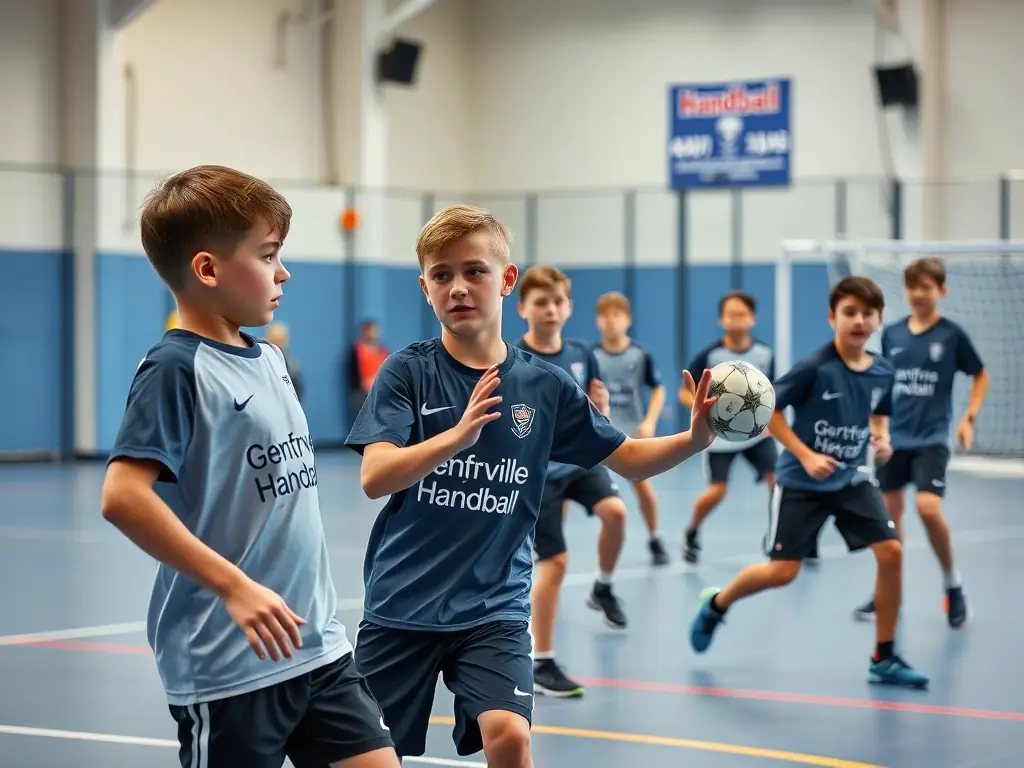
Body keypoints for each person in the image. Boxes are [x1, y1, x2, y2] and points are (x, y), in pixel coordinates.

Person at [345, 204, 720, 765]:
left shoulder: (546, 386)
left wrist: (693, 441)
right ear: (424, 288)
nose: (459, 288)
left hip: (493, 606)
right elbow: (375, 477)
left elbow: (631, 460)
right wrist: (454, 438)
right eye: (441, 275)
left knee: (511, 736)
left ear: (507, 279)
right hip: (402, 605)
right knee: (372, 756)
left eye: (475, 271)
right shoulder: (407, 370)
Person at [99, 165, 399, 768]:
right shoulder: (175, 369)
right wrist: (233, 586)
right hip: (231, 663)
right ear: (208, 269)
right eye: (267, 256)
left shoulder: (268, 359)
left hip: (317, 648)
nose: (282, 271)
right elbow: (122, 497)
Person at [687, 276, 929, 689]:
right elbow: (771, 412)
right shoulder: (814, 369)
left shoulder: (883, 371)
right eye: (849, 312)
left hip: (851, 478)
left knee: (891, 552)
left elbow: (879, 412)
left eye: (867, 313)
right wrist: (806, 455)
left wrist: (882, 438)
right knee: (783, 573)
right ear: (832, 317)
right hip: (802, 483)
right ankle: (717, 604)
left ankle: (884, 658)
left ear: (879, 319)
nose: (859, 320)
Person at [852, 257, 989, 628]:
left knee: (928, 509)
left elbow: (980, 376)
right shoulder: (893, 334)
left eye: (926, 287)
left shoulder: (951, 335)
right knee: (888, 522)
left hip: (931, 440)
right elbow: (881, 388)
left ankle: (953, 586)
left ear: (941, 291)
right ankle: (888, 591)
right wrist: (878, 431)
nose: (918, 293)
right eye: (912, 286)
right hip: (895, 441)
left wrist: (968, 418)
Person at [514, 267, 629, 699]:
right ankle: (541, 661)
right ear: (523, 308)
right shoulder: (515, 360)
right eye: (541, 302)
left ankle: (603, 587)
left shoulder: (583, 353)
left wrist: (600, 411)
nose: (550, 309)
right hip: (540, 473)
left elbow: (595, 415)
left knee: (616, 512)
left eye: (558, 301)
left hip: (580, 460)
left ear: (569, 307)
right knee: (555, 563)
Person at [678, 291, 781, 565]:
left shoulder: (764, 353)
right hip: (720, 435)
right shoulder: (711, 356)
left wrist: (770, 420)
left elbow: (772, 391)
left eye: (742, 314)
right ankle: (692, 531)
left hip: (757, 434)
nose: (736, 319)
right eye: (730, 314)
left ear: (753, 318)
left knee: (778, 482)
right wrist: (702, 408)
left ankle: (777, 536)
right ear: (721, 320)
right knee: (718, 491)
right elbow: (685, 393)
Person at [592, 290, 670, 565]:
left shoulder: (639, 354)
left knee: (643, 487)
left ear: (627, 319)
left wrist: (649, 421)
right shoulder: (591, 356)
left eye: (617, 315)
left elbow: (658, 388)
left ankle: (655, 538)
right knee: (567, 486)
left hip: (631, 436)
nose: (611, 321)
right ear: (598, 321)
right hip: (599, 433)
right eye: (605, 316)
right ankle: (550, 544)